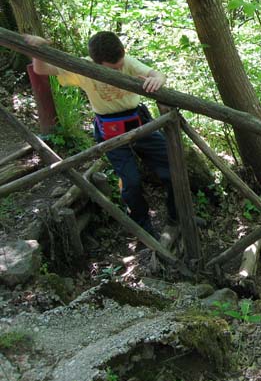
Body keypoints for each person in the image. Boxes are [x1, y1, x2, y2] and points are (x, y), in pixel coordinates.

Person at [26, 31, 175, 237]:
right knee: (130, 181)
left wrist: (157, 80)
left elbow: (156, 74)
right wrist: (37, 50)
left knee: (172, 165)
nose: (120, 69)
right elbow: (41, 69)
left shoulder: (128, 62)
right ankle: (143, 227)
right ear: (97, 63)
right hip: (110, 127)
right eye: (113, 69)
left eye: (121, 63)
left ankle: (177, 217)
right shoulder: (83, 67)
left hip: (139, 120)